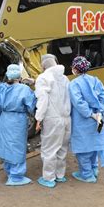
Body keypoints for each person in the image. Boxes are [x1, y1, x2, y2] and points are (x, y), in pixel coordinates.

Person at [0, 64, 37, 186]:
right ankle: (16, 176)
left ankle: (9, 170)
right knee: (17, 147)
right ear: (19, 75)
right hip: (17, 120)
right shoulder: (24, 89)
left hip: (4, 119)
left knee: (6, 146)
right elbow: (31, 106)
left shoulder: (0, 88)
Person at [69, 56, 104, 183]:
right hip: (99, 119)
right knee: (94, 145)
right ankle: (94, 169)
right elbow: (103, 97)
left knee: (83, 148)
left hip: (83, 120)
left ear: (75, 69)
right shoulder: (96, 80)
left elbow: (79, 103)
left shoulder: (74, 84)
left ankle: (87, 175)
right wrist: (99, 112)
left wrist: (90, 114)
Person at [34, 54, 71, 188]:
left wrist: (38, 118)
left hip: (52, 119)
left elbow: (43, 100)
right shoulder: (65, 78)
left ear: (43, 65)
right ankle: (60, 175)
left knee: (49, 149)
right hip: (66, 118)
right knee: (62, 148)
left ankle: (48, 178)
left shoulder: (43, 78)